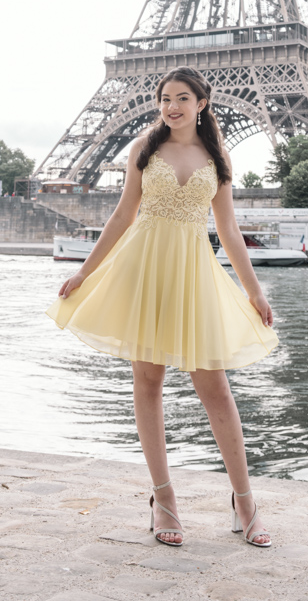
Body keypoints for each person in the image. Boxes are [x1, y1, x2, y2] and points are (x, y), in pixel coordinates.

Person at [46, 66, 278, 548]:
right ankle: (164, 498)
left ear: (201, 104)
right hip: (144, 270)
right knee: (147, 381)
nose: (171, 106)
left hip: (193, 274)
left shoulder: (217, 157)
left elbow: (230, 231)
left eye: (181, 98)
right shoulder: (144, 150)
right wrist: (84, 272)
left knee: (214, 386)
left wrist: (255, 291)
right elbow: (122, 215)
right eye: (164, 98)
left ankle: (244, 499)